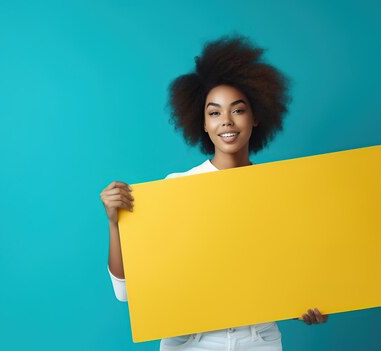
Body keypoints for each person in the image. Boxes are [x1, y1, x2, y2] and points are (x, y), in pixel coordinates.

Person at [100, 35, 328, 351]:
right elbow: (126, 292)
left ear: (256, 116)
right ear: (203, 122)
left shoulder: (280, 192)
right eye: (215, 112)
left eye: (238, 110)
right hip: (189, 342)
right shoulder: (175, 189)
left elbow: (289, 275)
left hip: (258, 341)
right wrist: (115, 224)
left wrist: (309, 304)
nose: (227, 122)